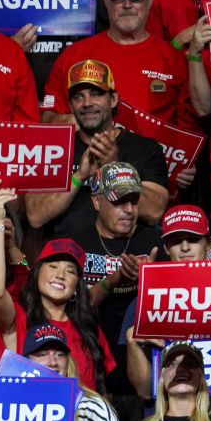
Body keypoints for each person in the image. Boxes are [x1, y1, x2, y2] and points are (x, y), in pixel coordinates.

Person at [0, 187, 112, 392]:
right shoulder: (18, 317)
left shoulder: (88, 327)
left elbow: (100, 390)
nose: (60, 275)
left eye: (70, 271)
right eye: (52, 266)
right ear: (36, 275)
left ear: (77, 285)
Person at [28, 59, 171, 234]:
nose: (87, 103)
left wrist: (113, 167)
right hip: (67, 257)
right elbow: (35, 216)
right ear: (71, 106)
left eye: (96, 94)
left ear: (113, 99)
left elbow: (154, 212)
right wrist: (79, 176)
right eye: (78, 97)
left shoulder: (146, 149)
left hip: (124, 256)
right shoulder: (54, 150)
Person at [43, 0, 194, 129]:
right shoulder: (73, 55)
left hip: (155, 158)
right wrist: (71, 122)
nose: (127, 5)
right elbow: (46, 117)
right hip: (89, 157)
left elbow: (189, 132)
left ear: (150, 0)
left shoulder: (174, 59)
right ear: (106, 0)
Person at [70, 163, 163, 384]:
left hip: (143, 370)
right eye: (119, 202)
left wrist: (152, 281)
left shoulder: (155, 242)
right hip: (92, 367)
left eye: (133, 201)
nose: (129, 210)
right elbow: (72, 309)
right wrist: (114, 279)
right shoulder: (75, 243)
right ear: (96, 201)